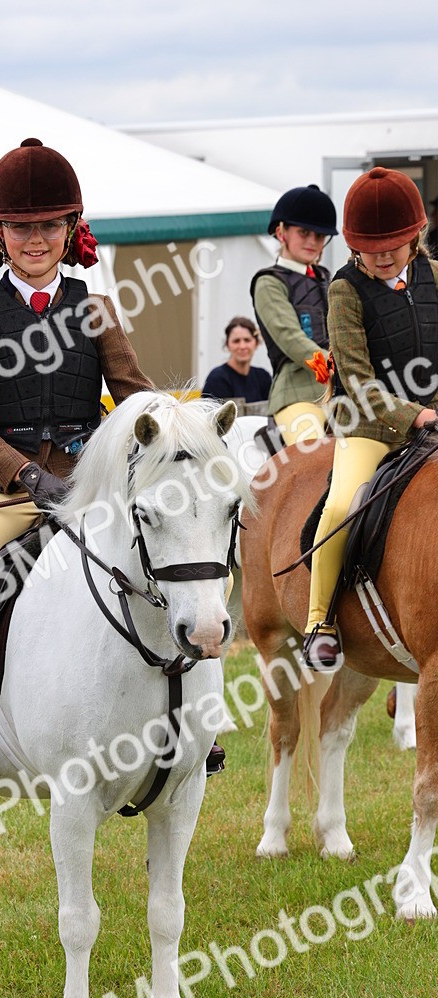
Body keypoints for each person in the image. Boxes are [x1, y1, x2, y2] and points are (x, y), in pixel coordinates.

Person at [0, 136, 162, 799]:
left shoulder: (96, 309)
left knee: (164, 565)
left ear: (71, 228)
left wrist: (171, 426)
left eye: (50, 225)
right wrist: (28, 476)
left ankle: (186, 724)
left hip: (88, 487)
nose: (37, 239)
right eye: (22, 227)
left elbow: (134, 394)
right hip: (8, 491)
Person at [302, 167, 438, 670]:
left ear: (415, 235)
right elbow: (358, 379)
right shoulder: (345, 290)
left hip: (434, 415)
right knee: (342, 506)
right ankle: (320, 620)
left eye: (394, 246)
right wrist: (415, 414)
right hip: (368, 425)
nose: (382, 257)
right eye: (369, 248)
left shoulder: (434, 276)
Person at [250, 184, 338, 445]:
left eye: (319, 235)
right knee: (313, 457)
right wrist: (334, 366)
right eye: (304, 232)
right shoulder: (268, 282)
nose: (313, 241)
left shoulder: (329, 279)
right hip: (298, 394)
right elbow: (291, 338)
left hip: (343, 392)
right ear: (281, 232)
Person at [202, 316, 271, 410]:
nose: (242, 346)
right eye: (236, 341)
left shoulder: (263, 377)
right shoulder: (216, 379)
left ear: (256, 343)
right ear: (227, 345)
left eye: (247, 340)